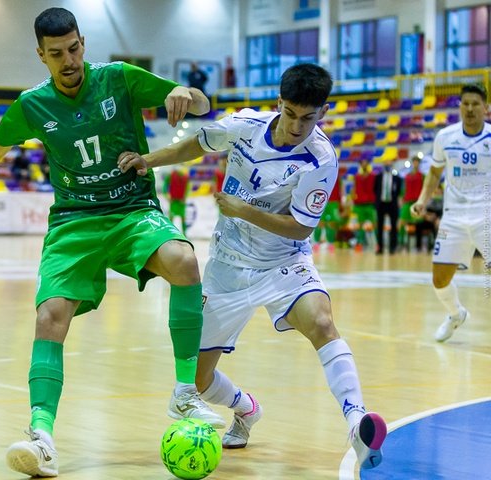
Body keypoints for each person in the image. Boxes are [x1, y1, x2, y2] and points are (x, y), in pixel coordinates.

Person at [0, 7, 223, 478]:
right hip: (74, 221)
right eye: (56, 54)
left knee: (184, 262)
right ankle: (41, 436)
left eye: (73, 49)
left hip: (132, 211)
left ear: (83, 44)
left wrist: (184, 92)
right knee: (50, 317)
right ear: (41, 55)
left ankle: (185, 396)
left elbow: (200, 104)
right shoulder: (32, 105)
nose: (68, 60)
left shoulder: (119, 78)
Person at [119, 63, 388, 470]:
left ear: (323, 112)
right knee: (197, 382)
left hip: (283, 263)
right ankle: (246, 409)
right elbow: (198, 143)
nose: (298, 125)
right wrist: (149, 160)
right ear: (279, 103)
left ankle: (357, 422)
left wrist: (242, 209)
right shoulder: (246, 125)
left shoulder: (321, 159)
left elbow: (299, 227)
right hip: (227, 267)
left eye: (309, 117)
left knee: (321, 322)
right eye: (292, 113)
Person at [411, 83, 491, 343]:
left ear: (486, 108)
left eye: (475, 104)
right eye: (465, 103)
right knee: (439, 280)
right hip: (454, 218)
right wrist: (423, 200)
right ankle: (456, 314)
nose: (469, 109)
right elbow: (434, 172)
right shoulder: (445, 137)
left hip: (485, 215)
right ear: (459, 106)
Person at [373, 161, 403, 255]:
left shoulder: (397, 178)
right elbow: (375, 189)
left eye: (389, 165)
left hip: (392, 204)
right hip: (381, 204)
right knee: (380, 226)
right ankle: (380, 247)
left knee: (393, 226)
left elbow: (398, 191)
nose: (387, 166)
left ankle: (392, 247)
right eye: (386, 165)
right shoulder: (378, 177)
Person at [398, 155, 424, 251]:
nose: (415, 163)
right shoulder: (407, 176)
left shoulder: (422, 176)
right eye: (414, 162)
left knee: (418, 223)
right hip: (407, 202)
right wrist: (401, 199)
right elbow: (403, 189)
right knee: (401, 222)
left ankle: (418, 245)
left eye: (417, 162)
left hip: (417, 203)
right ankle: (401, 242)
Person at [351, 158, 377, 250]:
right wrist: (351, 199)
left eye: (365, 162)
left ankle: (377, 243)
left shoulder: (373, 176)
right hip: (359, 204)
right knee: (360, 225)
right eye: (362, 163)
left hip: (370, 204)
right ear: (360, 165)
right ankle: (360, 243)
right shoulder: (357, 177)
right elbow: (353, 189)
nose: (364, 164)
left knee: (374, 223)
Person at [164, 166, 191, 234]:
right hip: (173, 201)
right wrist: (167, 195)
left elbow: (188, 187)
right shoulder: (170, 176)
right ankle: (170, 233)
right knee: (171, 217)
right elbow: (164, 186)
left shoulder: (185, 177)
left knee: (183, 218)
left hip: (181, 201)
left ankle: (185, 234)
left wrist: (185, 196)